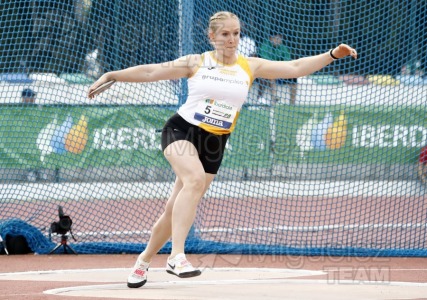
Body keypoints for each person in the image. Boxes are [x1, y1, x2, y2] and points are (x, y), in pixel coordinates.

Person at [87, 11, 357, 288]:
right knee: (192, 181)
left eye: (236, 33)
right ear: (212, 36)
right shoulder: (197, 62)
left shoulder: (250, 65)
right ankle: (176, 256)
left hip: (215, 143)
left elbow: (296, 67)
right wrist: (113, 74)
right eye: (225, 34)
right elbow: (151, 71)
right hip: (182, 130)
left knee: (173, 210)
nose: (231, 39)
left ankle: (142, 262)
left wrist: (333, 54)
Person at [257, 32, 297, 105]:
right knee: (270, 75)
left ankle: (292, 103)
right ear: (271, 38)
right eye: (276, 38)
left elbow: (287, 59)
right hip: (268, 70)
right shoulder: (265, 46)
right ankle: (272, 99)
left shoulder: (283, 47)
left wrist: (280, 67)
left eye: (280, 39)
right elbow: (264, 59)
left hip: (281, 69)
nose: (278, 40)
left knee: (294, 77)